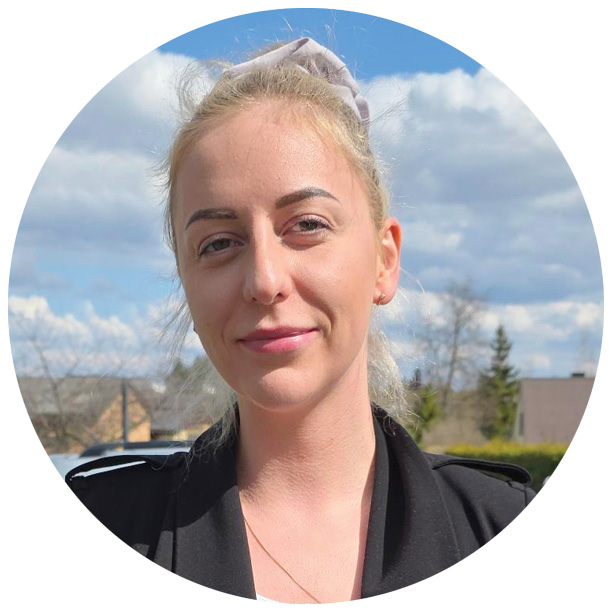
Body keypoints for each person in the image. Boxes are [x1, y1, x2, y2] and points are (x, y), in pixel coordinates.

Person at [66, 38, 535, 604]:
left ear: (384, 261)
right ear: (186, 284)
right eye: (218, 243)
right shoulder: (92, 537)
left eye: (308, 225)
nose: (264, 280)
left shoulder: (507, 533)